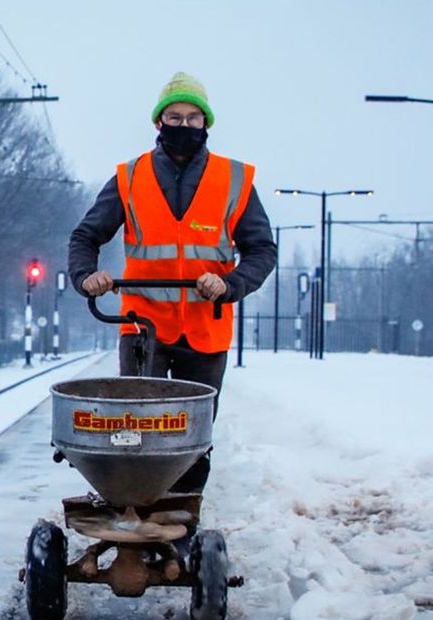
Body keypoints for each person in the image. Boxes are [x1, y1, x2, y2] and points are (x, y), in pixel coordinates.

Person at [68, 72, 277, 495]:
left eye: (193, 118)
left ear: (207, 124)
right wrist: (85, 277)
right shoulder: (130, 178)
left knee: (193, 433)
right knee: (136, 424)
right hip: (143, 325)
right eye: (175, 117)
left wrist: (231, 284)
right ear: (159, 122)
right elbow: (85, 236)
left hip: (205, 326)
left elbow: (261, 251)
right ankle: (132, 504)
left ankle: (184, 515)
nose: (184, 126)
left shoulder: (234, 180)